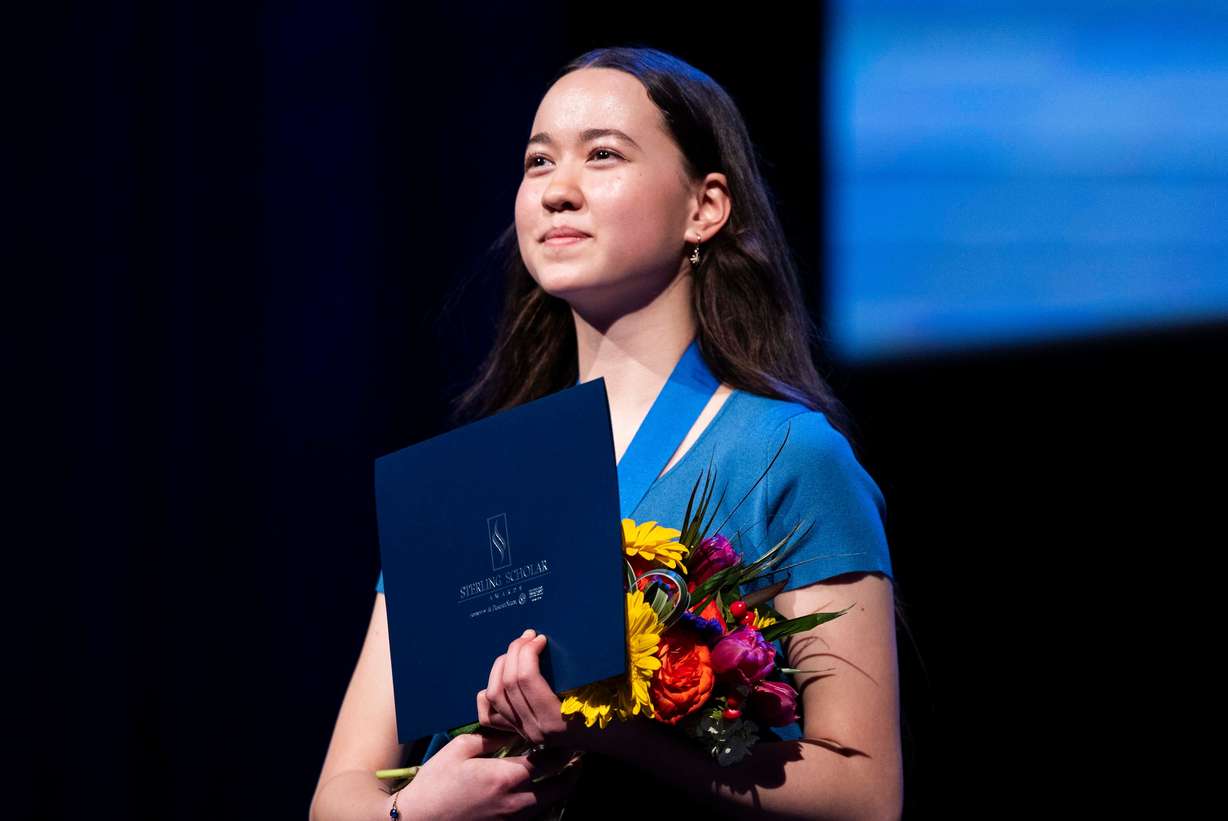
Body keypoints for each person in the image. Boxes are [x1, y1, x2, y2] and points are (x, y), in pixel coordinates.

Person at [310, 46, 903, 821]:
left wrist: (627, 736)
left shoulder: (785, 455)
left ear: (705, 207)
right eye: (536, 162)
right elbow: (338, 794)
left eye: (601, 155)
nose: (557, 191)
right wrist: (419, 812)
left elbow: (866, 792)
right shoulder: (462, 488)